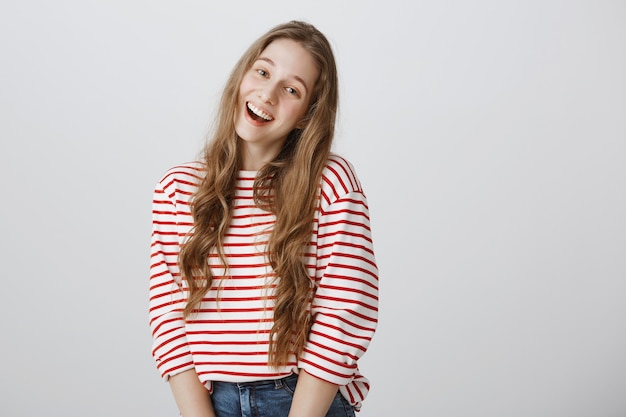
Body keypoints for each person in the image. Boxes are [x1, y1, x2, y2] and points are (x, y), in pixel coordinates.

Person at [149, 20, 378, 417]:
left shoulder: (330, 182)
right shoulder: (178, 188)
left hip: (302, 401)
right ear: (243, 75)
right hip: (213, 402)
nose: (267, 94)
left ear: (307, 114)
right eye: (263, 71)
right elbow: (168, 314)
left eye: (292, 90)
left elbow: (344, 312)